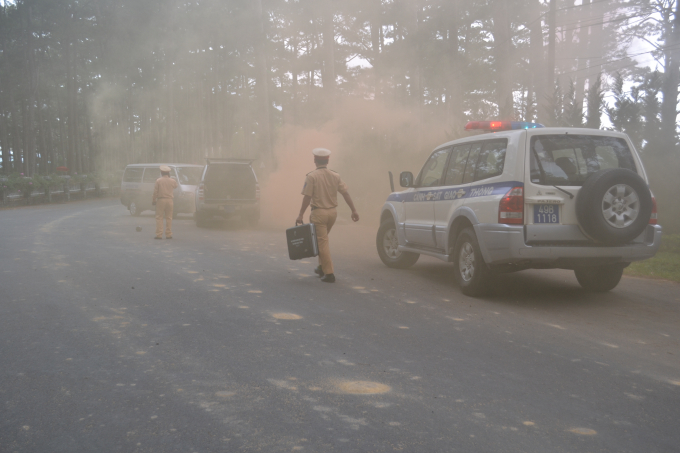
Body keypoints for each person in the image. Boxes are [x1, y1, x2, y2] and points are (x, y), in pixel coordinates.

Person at [296, 148, 359, 283]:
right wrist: (353, 210)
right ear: (328, 160)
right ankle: (321, 267)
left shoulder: (311, 176)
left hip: (318, 214)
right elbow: (345, 193)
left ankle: (329, 273)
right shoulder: (335, 176)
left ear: (315, 160)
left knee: (322, 242)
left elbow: (307, 197)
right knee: (322, 240)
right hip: (332, 214)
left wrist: (300, 214)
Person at [152, 165, 178, 239]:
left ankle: (159, 234)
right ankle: (168, 234)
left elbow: (155, 192)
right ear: (168, 173)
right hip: (170, 200)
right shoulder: (172, 180)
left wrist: (154, 200)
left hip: (161, 200)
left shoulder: (158, 180)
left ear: (161, 172)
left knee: (159, 217)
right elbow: (176, 186)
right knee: (169, 217)